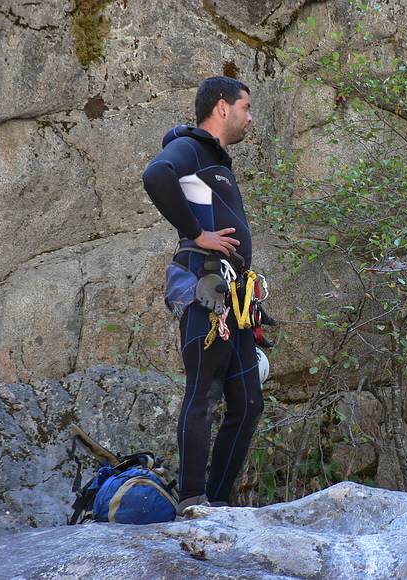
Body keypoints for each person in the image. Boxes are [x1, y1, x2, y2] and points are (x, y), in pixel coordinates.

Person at [142, 76, 263, 513]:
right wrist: (197, 234)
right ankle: (194, 499)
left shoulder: (216, 160)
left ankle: (219, 501)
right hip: (204, 283)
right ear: (222, 107)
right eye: (246, 107)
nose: (250, 117)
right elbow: (156, 175)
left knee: (249, 403)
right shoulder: (190, 146)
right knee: (204, 392)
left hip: (234, 293)